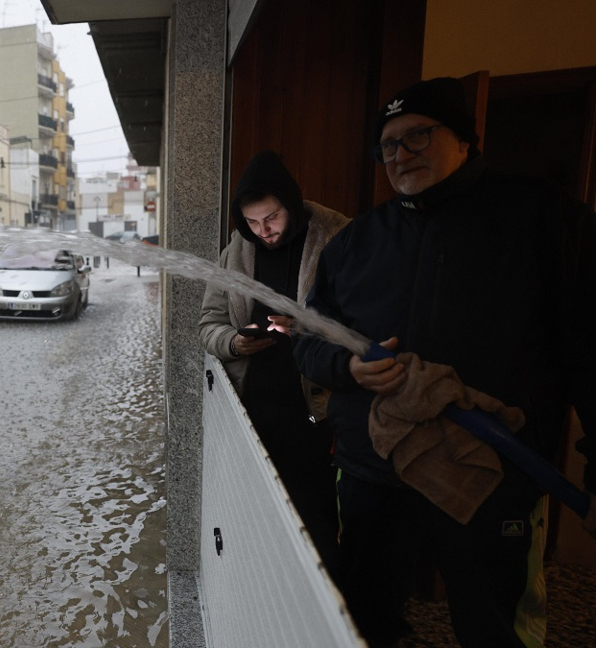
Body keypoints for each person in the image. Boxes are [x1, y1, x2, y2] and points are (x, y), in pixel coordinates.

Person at [294, 77, 596, 648]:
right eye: (388, 145)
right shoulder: (358, 242)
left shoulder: (542, 218)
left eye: (418, 136)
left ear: (462, 138)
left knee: (495, 624)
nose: (400, 155)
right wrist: (348, 370)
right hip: (373, 470)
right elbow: (308, 340)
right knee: (362, 618)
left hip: (492, 473)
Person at [198, 150, 349, 574]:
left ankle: (324, 602)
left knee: (317, 521)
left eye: (272, 217)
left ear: (291, 202)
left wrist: (305, 329)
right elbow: (208, 324)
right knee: (257, 519)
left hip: (317, 413)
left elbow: (363, 325)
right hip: (252, 411)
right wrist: (233, 343)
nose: (264, 231)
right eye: (252, 222)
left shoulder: (338, 237)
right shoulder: (236, 251)